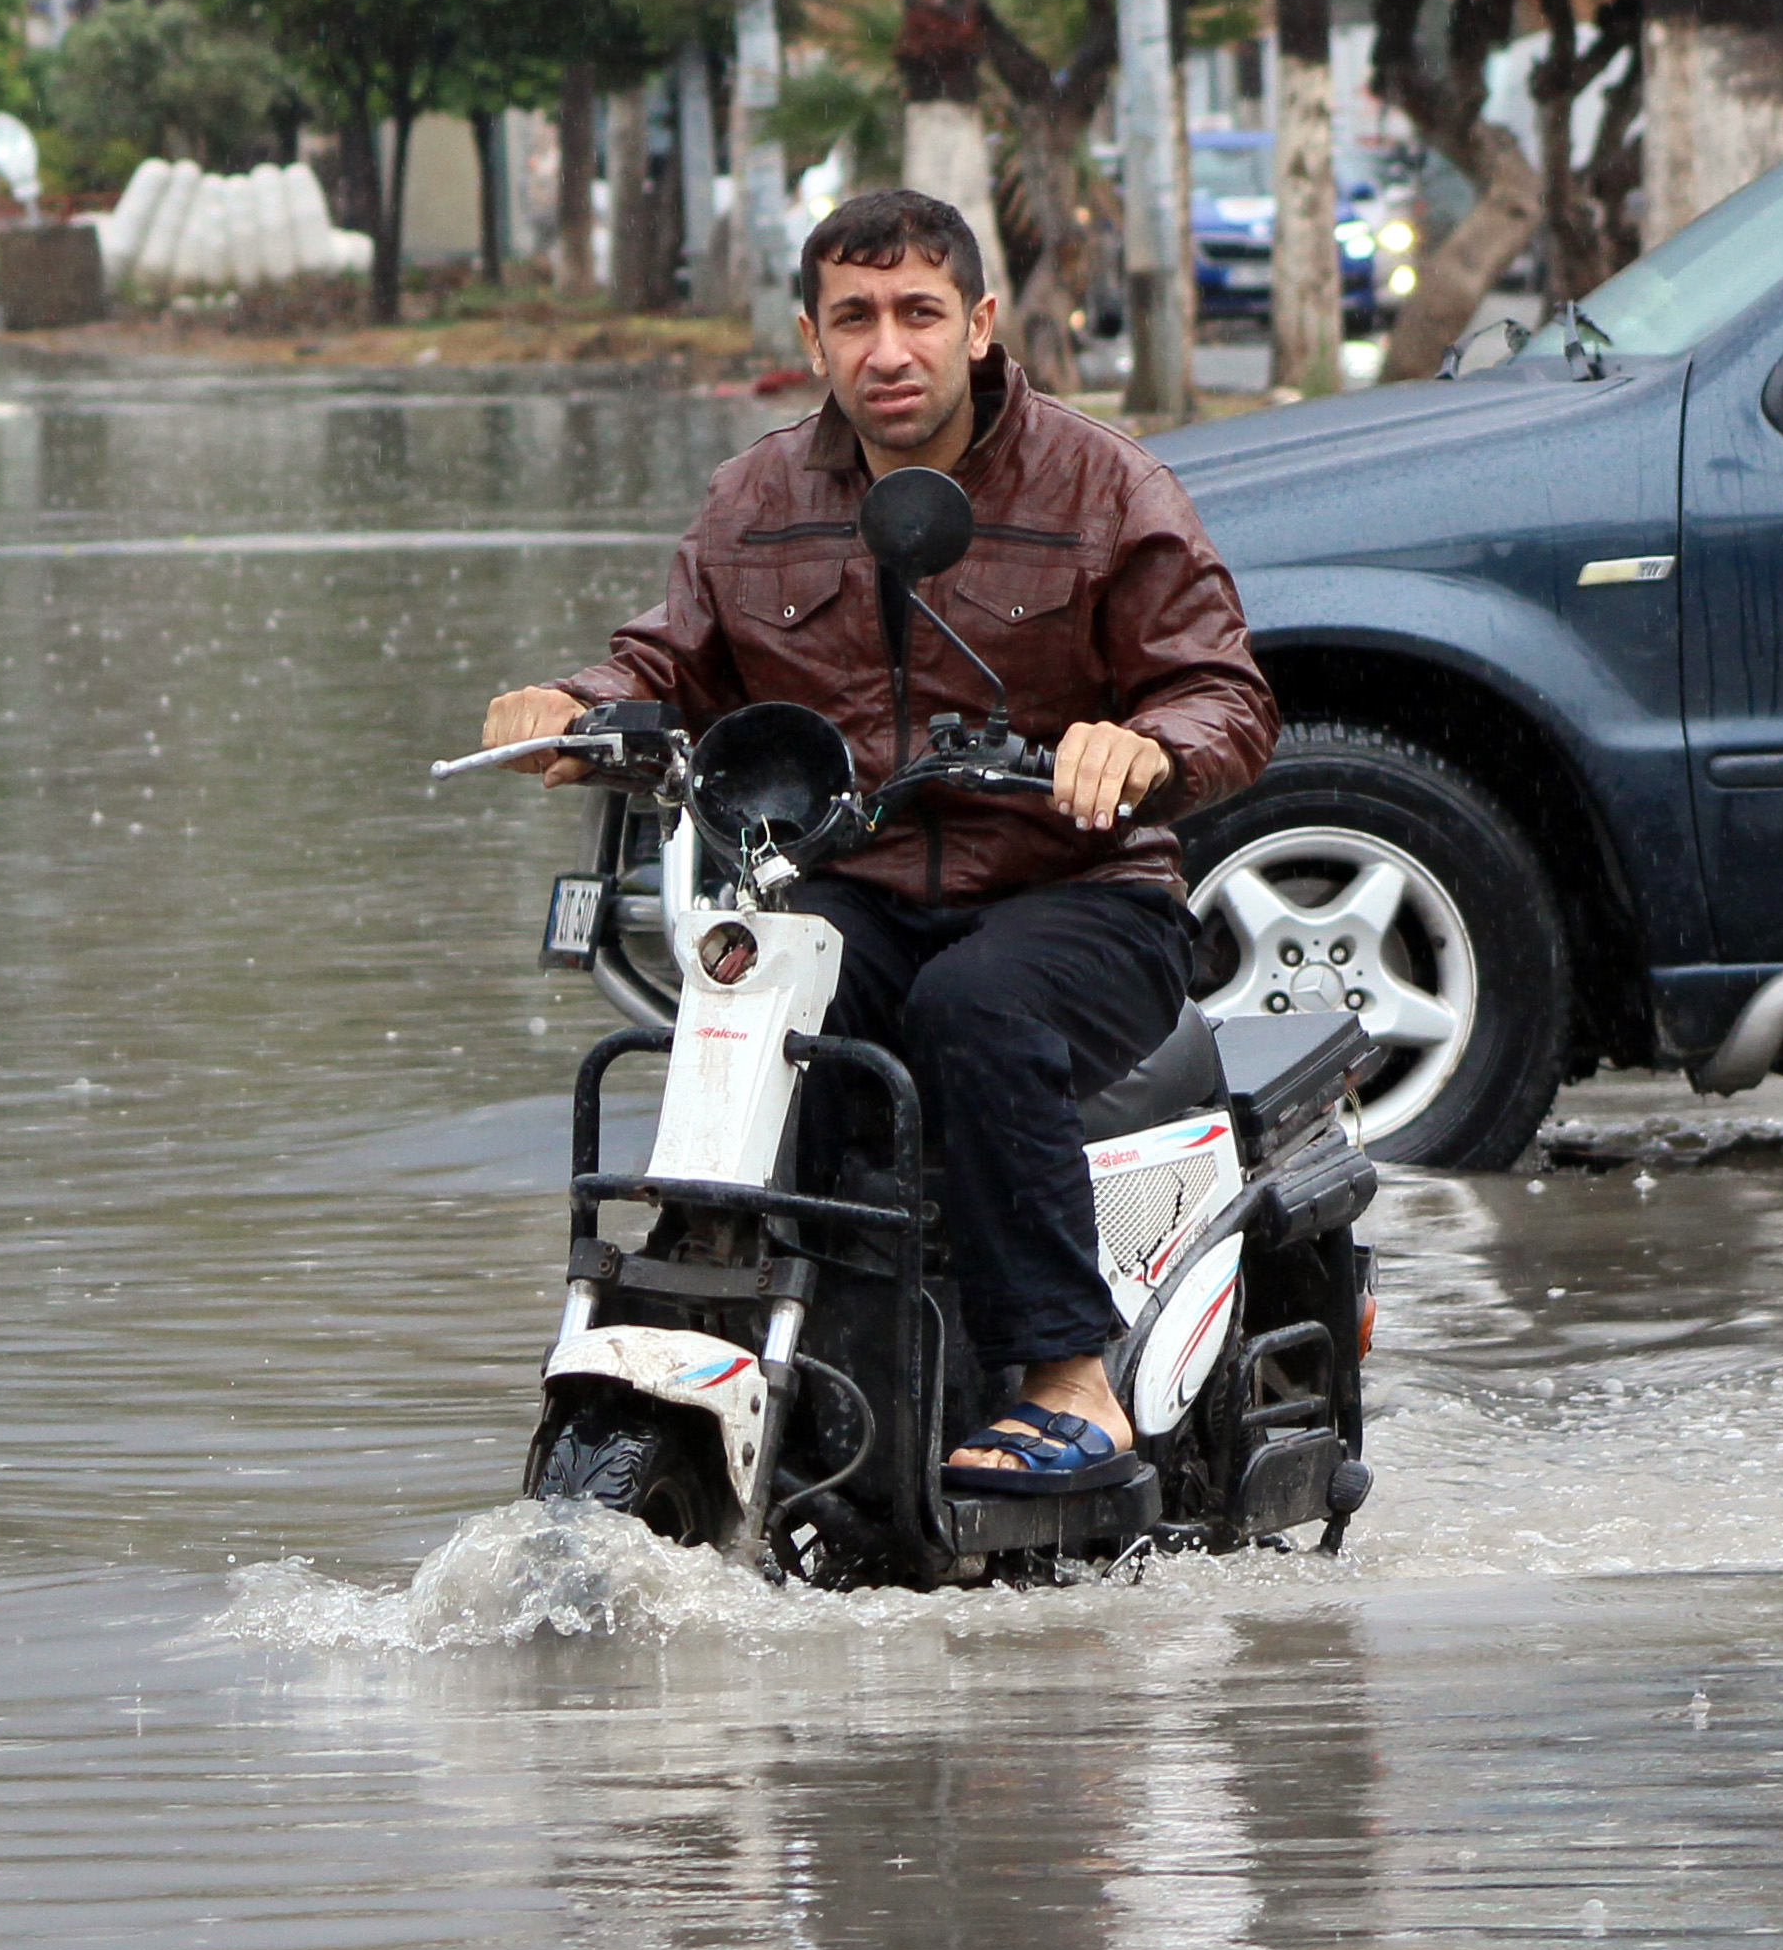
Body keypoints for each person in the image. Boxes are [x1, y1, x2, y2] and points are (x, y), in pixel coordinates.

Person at [478, 189, 1277, 1490]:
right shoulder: (760, 497)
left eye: (917, 313)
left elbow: (1227, 694)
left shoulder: (1101, 482)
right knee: (753, 983)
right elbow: (661, 662)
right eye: (855, 318)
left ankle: (1070, 1378)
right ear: (811, 333)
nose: (888, 349)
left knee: (977, 1003)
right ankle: (732, 1316)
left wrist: (1146, 745)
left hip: (1081, 895)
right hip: (857, 886)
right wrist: (571, 710)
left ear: (979, 322)